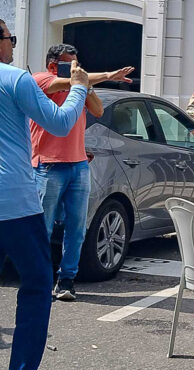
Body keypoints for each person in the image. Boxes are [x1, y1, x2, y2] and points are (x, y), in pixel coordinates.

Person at [0, 18, 89, 370]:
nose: (13, 45)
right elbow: (59, 121)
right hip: (14, 199)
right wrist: (80, 88)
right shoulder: (14, 78)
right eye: (9, 37)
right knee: (37, 285)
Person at [30, 43, 134, 301]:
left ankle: (66, 280)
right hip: (47, 165)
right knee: (41, 228)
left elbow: (98, 110)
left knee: (76, 228)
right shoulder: (40, 80)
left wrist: (87, 83)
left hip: (77, 165)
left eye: (78, 64)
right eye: (70, 64)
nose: (76, 69)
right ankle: (38, 280)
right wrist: (105, 76)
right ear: (54, 65)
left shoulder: (79, 86)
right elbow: (63, 84)